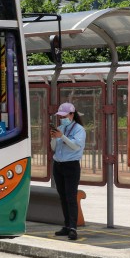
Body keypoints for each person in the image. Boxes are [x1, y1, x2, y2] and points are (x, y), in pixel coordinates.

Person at [50, 101, 86, 240]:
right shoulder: (60, 128)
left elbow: (76, 147)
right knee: (63, 197)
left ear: (72, 114)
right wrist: (54, 138)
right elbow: (54, 148)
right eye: (60, 116)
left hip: (71, 165)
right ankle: (66, 225)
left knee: (71, 197)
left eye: (65, 115)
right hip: (58, 165)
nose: (62, 118)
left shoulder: (79, 130)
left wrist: (62, 137)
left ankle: (73, 227)